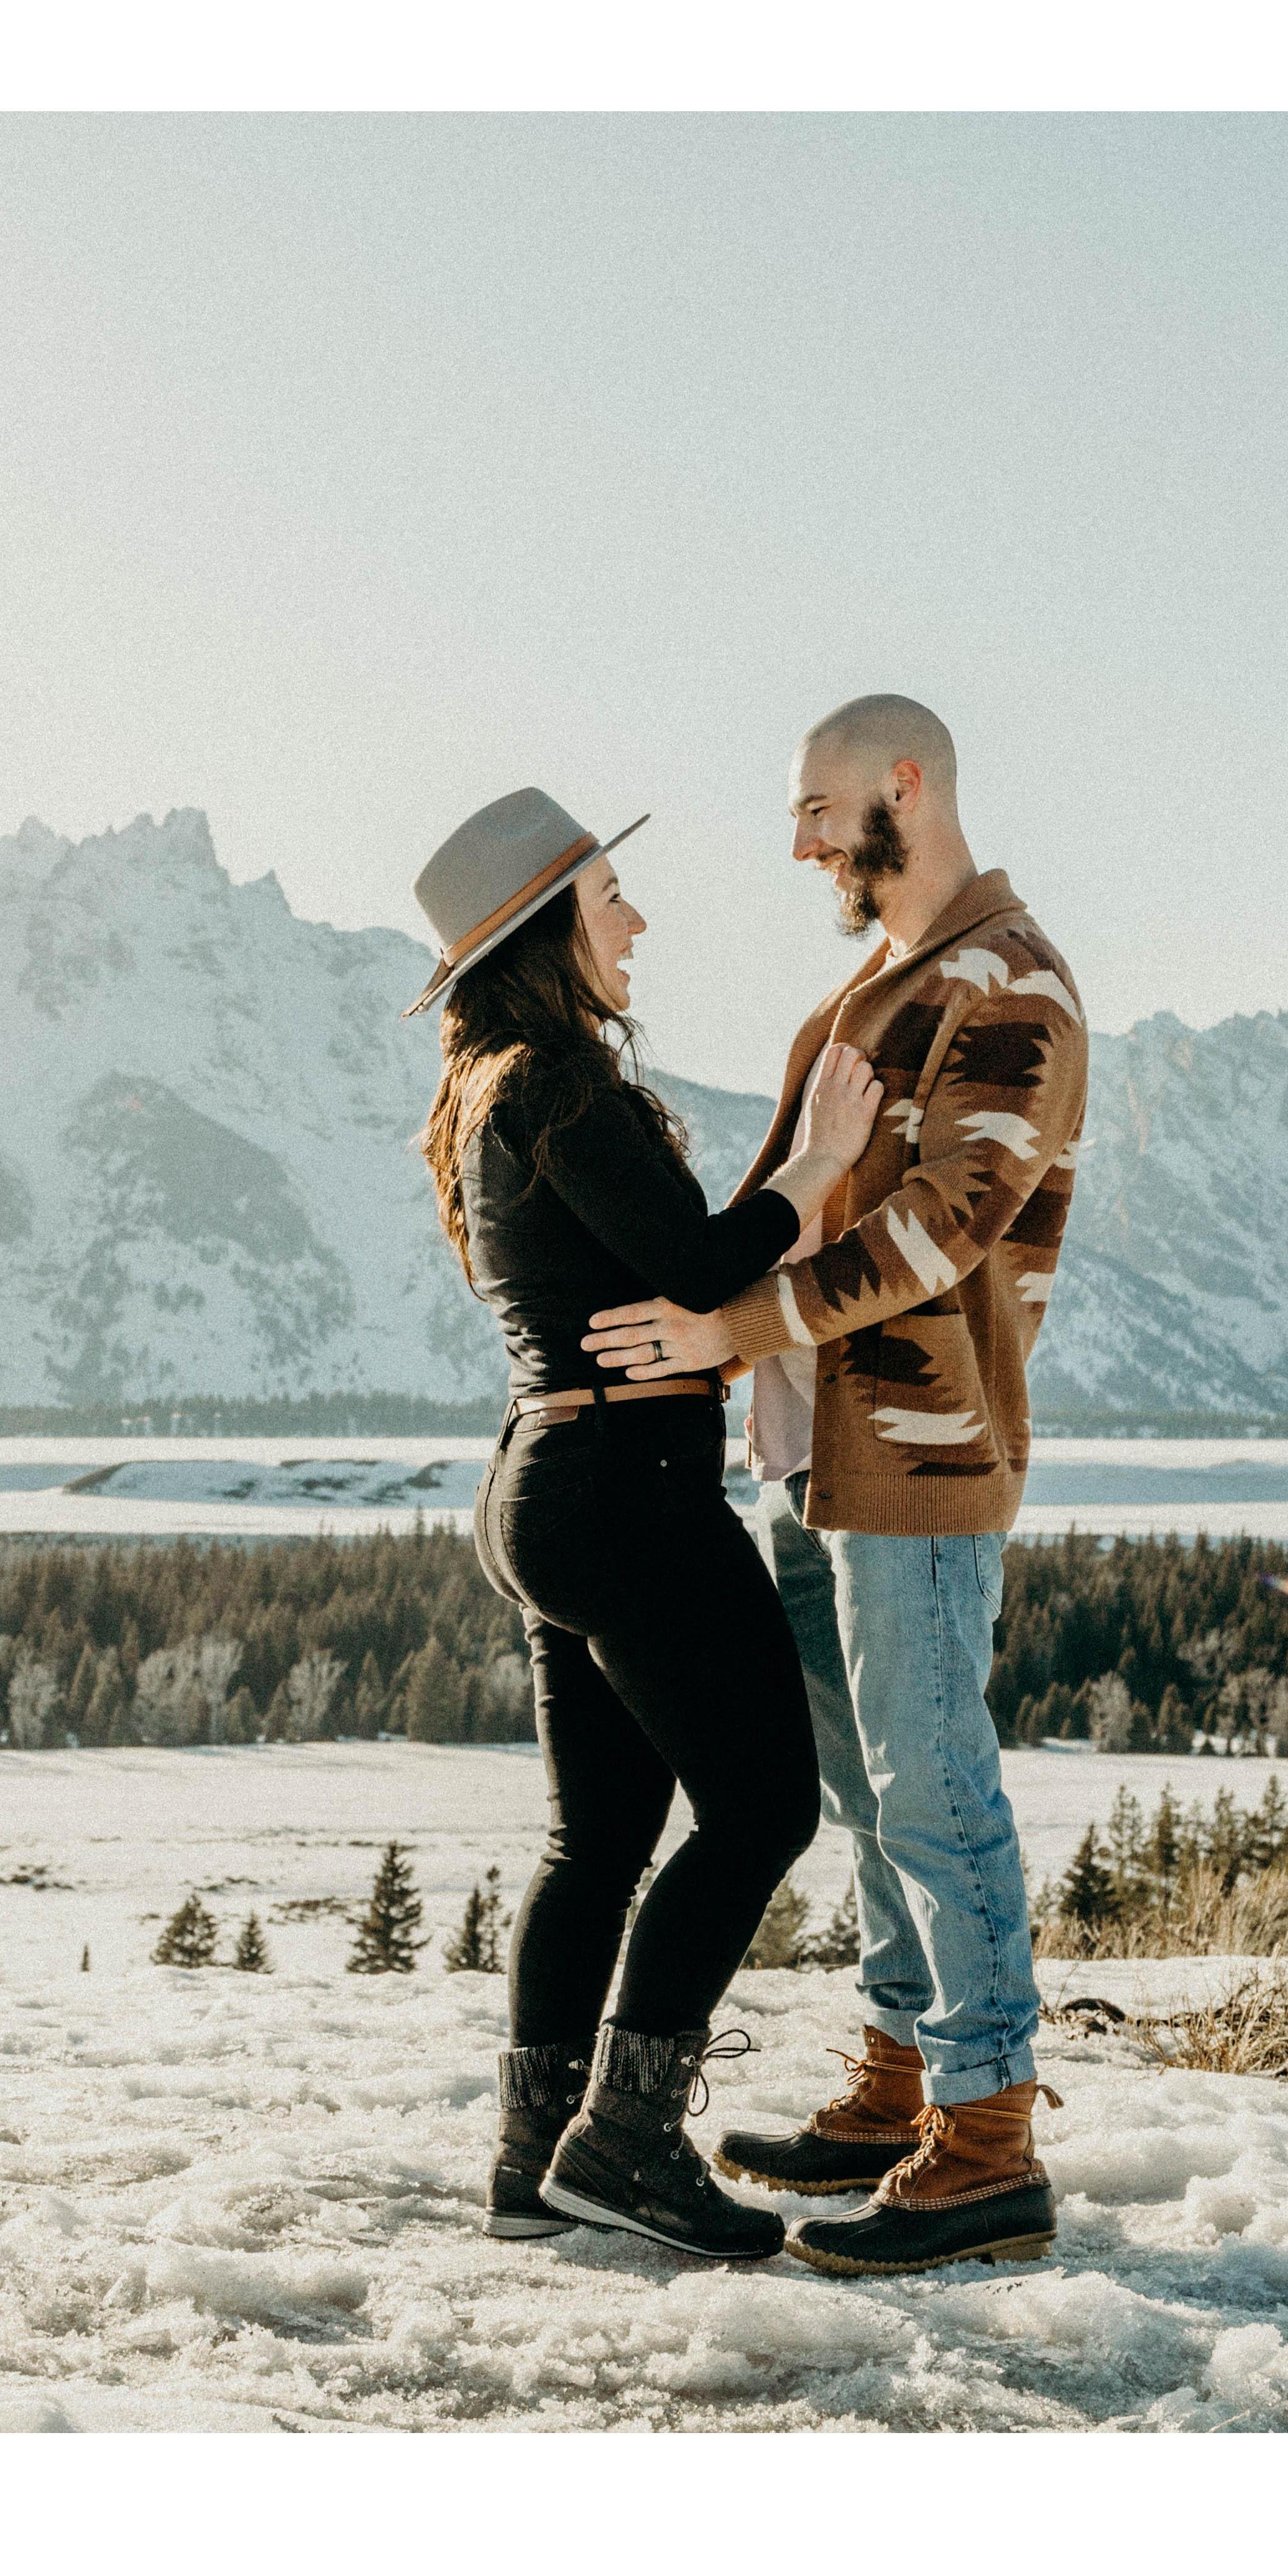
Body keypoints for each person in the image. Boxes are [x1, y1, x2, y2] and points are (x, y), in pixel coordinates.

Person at [581, 696, 1088, 2277]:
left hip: (922, 1463)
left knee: (936, 1788)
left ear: (904, 786)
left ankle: (989, 2135)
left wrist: (737, 1324)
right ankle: (893, 2082)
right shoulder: (877, 987)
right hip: (821, 1460)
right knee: (870, 1790)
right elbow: (799, 1201)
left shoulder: (1009, 985)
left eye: (817, 807)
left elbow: (952, 1218)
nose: (798, 839)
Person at [410, 784, 886, 2262]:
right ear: (550, 927)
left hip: (546, 1486)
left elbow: (646, 1257)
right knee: (762, 1807)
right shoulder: (558, 1084)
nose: (635, 919)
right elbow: (687, 1267)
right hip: (631, 1494)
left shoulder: (494, 1093)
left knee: (599, 1841)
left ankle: (529, 2158)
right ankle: (620, 2142)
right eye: (610, 895)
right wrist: (813, 1171)